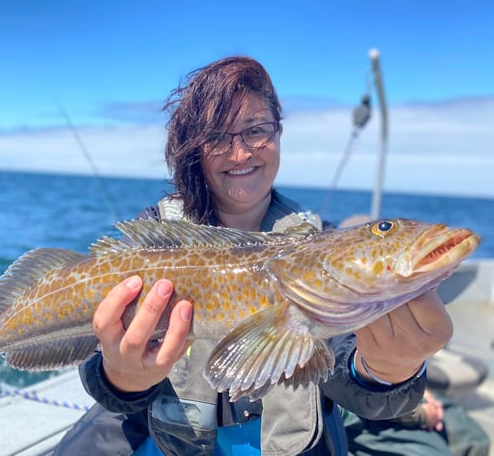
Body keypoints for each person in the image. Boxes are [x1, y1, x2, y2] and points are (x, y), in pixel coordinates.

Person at [52, 56, 453, 455]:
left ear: (278, 132)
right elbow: (100, 362)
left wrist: (388, 373)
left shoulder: (319, 241)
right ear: (193, 147)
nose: (241, 153)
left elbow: (345, 373)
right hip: (175, 438)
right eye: (218, 137)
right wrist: (122, 377)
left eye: (256, 131)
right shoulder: (155, 242)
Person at [343, 388, 490, 455]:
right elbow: (354, 404)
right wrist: (420, 414)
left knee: (477, 439)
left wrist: (419, 386)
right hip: (368, 422)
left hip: (398, 393)